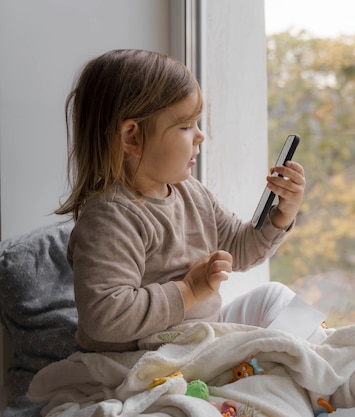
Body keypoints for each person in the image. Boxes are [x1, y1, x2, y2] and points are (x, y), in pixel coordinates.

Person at [56, 49, 323, 352]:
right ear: (132, 137)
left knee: (275, 298)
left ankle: (326, 364)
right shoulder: (111, 217)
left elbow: (239, 248)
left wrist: (281, 215)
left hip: (200, 335)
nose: (200, 136)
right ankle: (309, 372)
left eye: (197, 123)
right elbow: (105, 316)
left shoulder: (190, 192)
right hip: (151, 355)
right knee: (270, 350)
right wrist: (189, 291)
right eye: (185, 126)